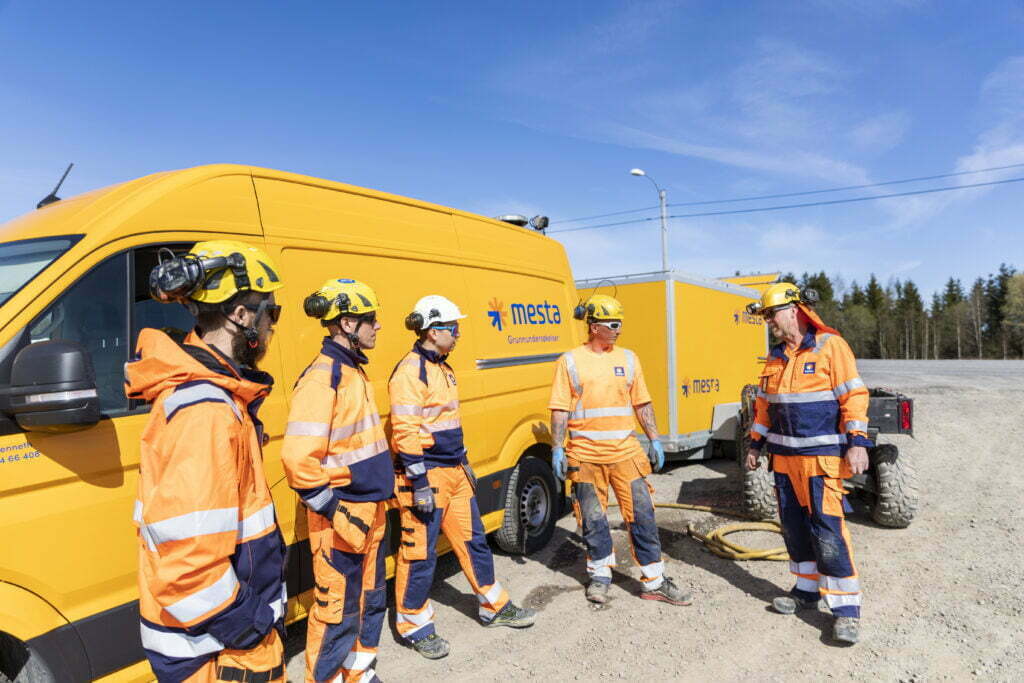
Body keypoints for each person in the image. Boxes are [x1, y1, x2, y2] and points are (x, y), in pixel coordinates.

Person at [126, 240, 288, 682]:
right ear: (241, 316)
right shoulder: (206, 412)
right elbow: (189, 568)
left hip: (217, 638)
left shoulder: (216, 398)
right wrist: (251, 628)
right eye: (270, 313)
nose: (273, 327)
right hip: (215, 649)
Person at [389, 295, 536, 660]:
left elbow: (448, 424)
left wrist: (464, 461)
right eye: (453, 327)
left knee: (474, 542)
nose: (458, 333)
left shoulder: (442, 367)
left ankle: (493, 606)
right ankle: (415, 625)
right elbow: (405, 432)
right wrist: (419, 483)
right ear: (433, 329)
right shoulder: (411, 372)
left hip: (453, 472)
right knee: (418, 554)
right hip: (426, 477)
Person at [281, 278, 395, 683]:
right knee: (337, 612)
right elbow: (297, 460)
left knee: (369, 600)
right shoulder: (322, 378)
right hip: (342, 518)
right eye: (371, 320)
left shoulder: (351, 371)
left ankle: (358, 673)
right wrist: (334, 509)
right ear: (347, 323)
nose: (377, 327)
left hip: (367, 511)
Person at [744, 282, 870, 645]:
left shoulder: (832, 347)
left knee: (828, 532)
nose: (770, 323)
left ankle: (846, 611)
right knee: (795, 530)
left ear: (794, 311)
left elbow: (854, 397)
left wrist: (857, 443)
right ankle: (805, 591)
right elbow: (764, 407)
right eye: (766, 317)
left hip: (820, 463)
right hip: (784, 464)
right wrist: (755, 445)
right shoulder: (775, 356)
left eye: (772, 315)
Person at [549, 294, 691, 606]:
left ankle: (653, 579)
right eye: (613, 324)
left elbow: (642, 401)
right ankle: (600, 575)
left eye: (620, 324)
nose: (619, 330)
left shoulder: (628, 359)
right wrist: (557, 447)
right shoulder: (570, 361)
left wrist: (654, 437)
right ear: (594, 326)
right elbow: (560, 408)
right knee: (592, 519)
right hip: (585, 456)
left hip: (626, 454)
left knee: (642, 515)